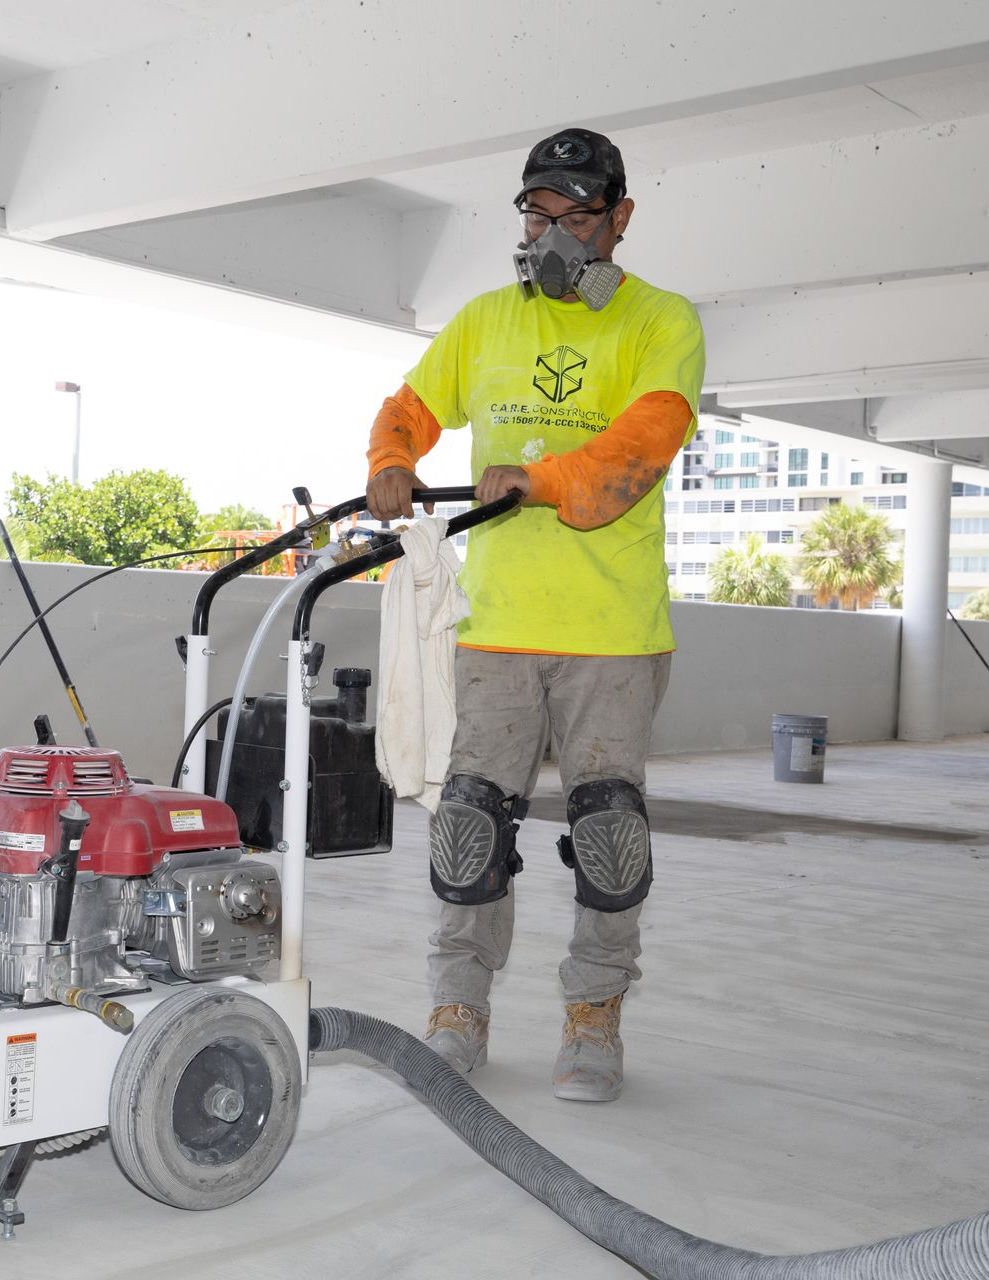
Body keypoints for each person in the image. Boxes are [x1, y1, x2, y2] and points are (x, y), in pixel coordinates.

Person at [364, 126, 705, 1101]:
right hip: (498, 629)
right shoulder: (484, 322)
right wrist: (392, 462)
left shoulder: (661, 323)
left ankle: (594, 1018)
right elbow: (410, 406)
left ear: (619, 219)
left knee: (609, 833)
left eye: (575, 217)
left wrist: (543, 477)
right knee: (469, 828)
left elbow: (639, 452)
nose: (552, 235)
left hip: (613, 637)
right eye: (537, 215)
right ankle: (456, 1009)